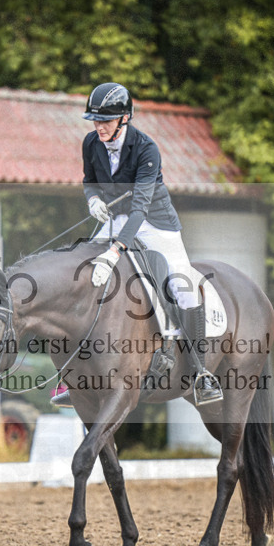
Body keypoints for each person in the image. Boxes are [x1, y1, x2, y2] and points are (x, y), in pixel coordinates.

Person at [81, 82, 221, 404]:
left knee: (183, 285)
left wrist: (116, 251)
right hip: (114, 218)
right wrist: (92, 202)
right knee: (85, 271)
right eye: (95, 120)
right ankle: (74, 374)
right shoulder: (91, 142)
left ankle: (201, 373)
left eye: (106, 120)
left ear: (125, 118)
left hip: (154, 224)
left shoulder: (147, 149)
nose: (98, 126)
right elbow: (90, 181)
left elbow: (140, 208)